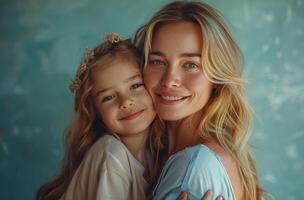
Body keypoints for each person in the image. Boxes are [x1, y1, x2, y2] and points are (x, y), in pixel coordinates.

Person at [134, 1, 264, 200]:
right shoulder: (159, 155)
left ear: (217, 78)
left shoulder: (194, 168)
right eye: (157, 61)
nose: (169, 80)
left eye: (191, 65)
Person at [36, 33, 163, 200]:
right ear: (95, 112)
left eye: (135, 85)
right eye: (108, 97)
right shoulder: (110, 155)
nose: (126, 102)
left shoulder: (160, 154)